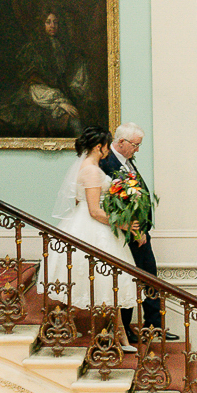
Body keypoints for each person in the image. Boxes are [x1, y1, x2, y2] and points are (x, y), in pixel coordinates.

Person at [98, 123, 175, 341]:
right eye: (135, 145)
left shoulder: (126, 160)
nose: (137, 150)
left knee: (150, 275)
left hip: (140, 231)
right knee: (127, 279)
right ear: (120, 142)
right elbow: (111, 202)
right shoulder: (105, 163)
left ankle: (154, 326)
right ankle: (124, 328)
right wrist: (132, 229)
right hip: (124, 233)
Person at [51, 125, 134, 311]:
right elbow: (94, 211)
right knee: (106, 277)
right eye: (106, 145)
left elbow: (78, 200)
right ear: (99, 146)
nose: (108, 149)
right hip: (93, 225)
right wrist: (123, 224)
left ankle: (113, 330)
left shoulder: (87, 166)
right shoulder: (92, 170)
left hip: (81, 221)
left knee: (94, 277)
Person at [2, 8, 90, 138]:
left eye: (55, 22)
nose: (52, 26)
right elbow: (32, 83)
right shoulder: (33, 48)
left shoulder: (62, 46)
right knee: (69, 119)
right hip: (37, 96)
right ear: (42, 24)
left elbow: (63, 75)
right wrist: (59, 102)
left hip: (57, 93)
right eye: (48, 22)